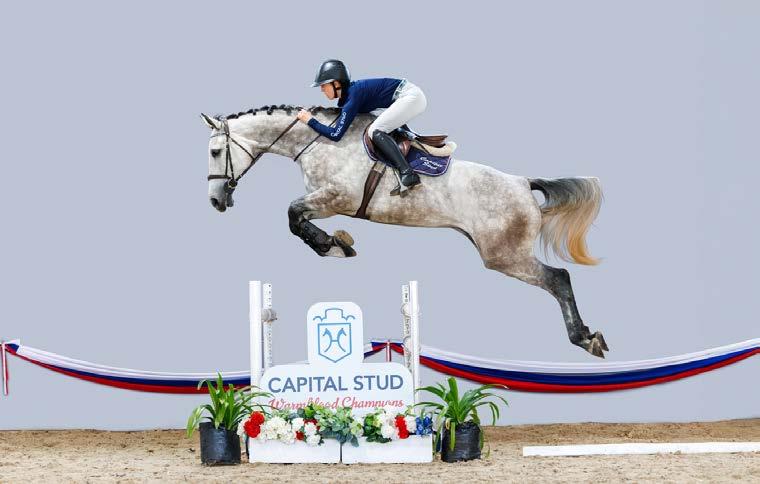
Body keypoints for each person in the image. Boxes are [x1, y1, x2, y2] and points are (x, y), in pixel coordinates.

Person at [296, 59, 425, 189]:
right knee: (374, 121)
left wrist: (310, 120)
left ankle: (408, 173)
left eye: (324, 85)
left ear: (336, 83)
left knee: (375, 131)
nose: (321, 89)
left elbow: (335, 134)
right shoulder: (350, 96)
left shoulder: (354, 96)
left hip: (410, 97)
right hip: (403, 97)